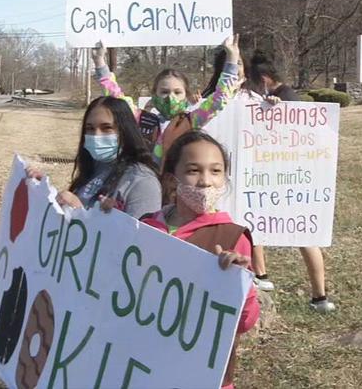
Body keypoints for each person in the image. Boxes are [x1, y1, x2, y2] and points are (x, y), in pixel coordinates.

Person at [141, 131, 258, 389]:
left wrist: (240, 283)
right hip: (144, 365)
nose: (206, 182)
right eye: (194, 170)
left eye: (216, 171)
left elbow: (245, 322)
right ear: (173, 179)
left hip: (201, 375)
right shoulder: (145, 226)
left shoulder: (231, 236)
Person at [249, 54, 335, 313]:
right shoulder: (291, 97)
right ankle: (319, 297)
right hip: (295, 178)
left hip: (280, 177)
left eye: (252, 85)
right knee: (303, 235)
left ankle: (262, 277)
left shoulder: (283, 101)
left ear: (264, 81)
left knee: (254, 222)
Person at [91, 35, 243, 165]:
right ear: (154, 94)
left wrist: (232, 59)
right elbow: (116, 96)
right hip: (147, 186)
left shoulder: (192, 121)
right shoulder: (142, 119)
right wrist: (99, 62)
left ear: (186, 95)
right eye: (164, 92)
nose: (171, 98)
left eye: (177, 92)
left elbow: (218, 100)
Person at [26, 96, 161, 219]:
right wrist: (46, 190)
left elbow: (140, 241)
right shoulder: (96, 165)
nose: (96, 135)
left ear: (125, 131)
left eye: (106, 128)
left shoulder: (142, 182)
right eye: (90, 128)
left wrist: (80, 212)